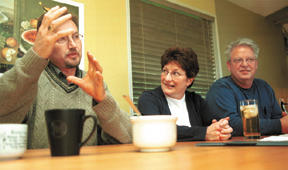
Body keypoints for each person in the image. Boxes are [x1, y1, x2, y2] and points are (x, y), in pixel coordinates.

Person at [0, 6, 131, 148]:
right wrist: (35, 56)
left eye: (75, 36)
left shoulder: (93, 83)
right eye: (61, 39)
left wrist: (103, 101)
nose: (73, 45)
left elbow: (126, 138)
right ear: (45, 44)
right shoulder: (31, 80)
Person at [138, 47, 233, 141]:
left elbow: (214, 125)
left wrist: (222, 130)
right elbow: (161, 129)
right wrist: (204, 133)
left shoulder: (196, 101)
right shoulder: (148, 99)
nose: (167, 78)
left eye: (175, 73)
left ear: (189, 80)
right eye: (165, 71)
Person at [205, 38, 288, 136]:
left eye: (250, 60)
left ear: (256, 64)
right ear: (229, 65)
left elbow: (278, 118)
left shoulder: (264, 87)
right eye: (238, 60)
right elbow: (232, 125)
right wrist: (280, 125)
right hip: (235, 149)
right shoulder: (220, 89)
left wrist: (281, 123)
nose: (244, 64)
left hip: (267, 145)